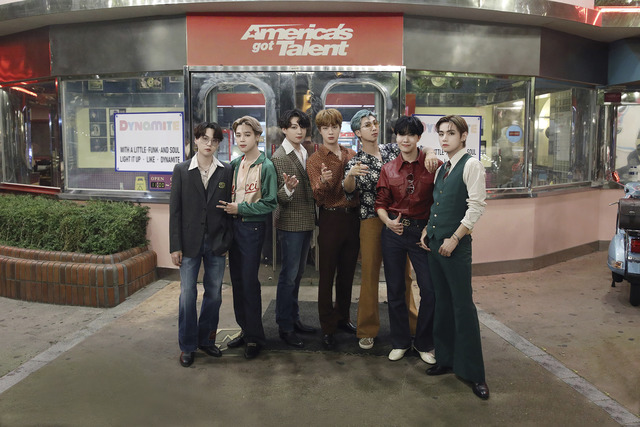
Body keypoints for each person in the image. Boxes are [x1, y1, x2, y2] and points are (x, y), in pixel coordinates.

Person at [344, 109, 439, 351]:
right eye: (367, 125)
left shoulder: (392, 149)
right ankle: (367, 329)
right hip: (371, 219)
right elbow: (348, 190)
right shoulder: (355, 161)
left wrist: (430, 153)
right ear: (357, 133)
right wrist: (350, 176)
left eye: (375, 123)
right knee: (370, 274)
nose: (374, 127)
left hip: (401, 220)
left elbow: (417, 148)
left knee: (403, 277)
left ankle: (411, 324)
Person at [421, 115, 489, 400]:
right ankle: (445, 359)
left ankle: (474, 373)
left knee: (462, 306)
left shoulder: (471, 165)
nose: (445, 138)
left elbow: (476, 207)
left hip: (455, 246)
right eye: (441, 133)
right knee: (443, 303)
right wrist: (427, 229)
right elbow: (438, 204)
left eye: (451, 133)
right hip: (435, 244)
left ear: (463, 136)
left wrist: (456, 237)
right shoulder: (443, 168)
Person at [169, 122, 233, 368]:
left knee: (214, 294)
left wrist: (226, 240)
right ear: (196, 140)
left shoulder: (225, 170)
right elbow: (175, 210)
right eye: (205, 138)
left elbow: (228, 211)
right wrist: (175, 246)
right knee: (187, 295)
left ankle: (207, 340)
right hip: (188, 243)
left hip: (216, 242)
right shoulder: (182, 170)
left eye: (214, 140)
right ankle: (187, 346)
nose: (209, 144)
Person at [374, 115, 437, 363]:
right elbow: (381, 203)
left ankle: (424, 343)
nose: (405, 139)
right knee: (395, 289)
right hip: (394, 232)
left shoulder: (432, 165)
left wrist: (429, 228)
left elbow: (440, 201)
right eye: (401, 134)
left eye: (411, 134)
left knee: (429, 290)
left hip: (423, 234)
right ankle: (399, 342)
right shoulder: (388, 169)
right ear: (396, 137)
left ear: (419, 137)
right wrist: (388, 222)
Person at [219, 116, 277, 360]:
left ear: (257, 137)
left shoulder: (266, 166)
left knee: (250, 282)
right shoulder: (234, 164)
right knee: (237, 282)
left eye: (247, 135)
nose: (242, 139)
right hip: (234, 227)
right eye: (238, 135)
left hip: (252, 229)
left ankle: (255, 337)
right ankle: (244, 330)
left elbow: (270, 203)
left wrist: (240, 208)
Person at [307, 108, 360, 350]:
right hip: (330, 218)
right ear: (320, 131)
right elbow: (317, 196)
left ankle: (343, 317)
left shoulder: (351, 154)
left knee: (347, 274)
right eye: (325, 128)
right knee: (327, 275)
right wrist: (324, 182)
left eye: (334, 127)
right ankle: (327, 326)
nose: (330, 132)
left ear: (340, 128)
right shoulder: (315, 160)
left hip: (353, 219)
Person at [271, 109, 317, 348]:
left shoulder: (304, 151)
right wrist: (288, 188)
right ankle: (285, 326)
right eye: (293, 126)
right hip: (290, 223)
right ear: (284, 129)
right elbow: (277, 197)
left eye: (302, 126)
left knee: (298, 274)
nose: (299, 131)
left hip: (306, 221)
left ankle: (294, 318)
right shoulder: (279, 157)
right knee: (288, 276)